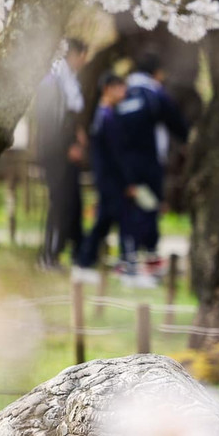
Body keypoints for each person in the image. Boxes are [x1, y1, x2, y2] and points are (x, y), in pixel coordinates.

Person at [118, 53, 188, 276]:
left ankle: (126, 257)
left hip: (123, 161)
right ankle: (149, 257)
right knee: (149, 205)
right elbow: (176, 121)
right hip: (149, 160)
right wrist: (189, 139)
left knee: (129, 206)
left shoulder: (121, 90)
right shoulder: (154, 92)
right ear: (156, 72)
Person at [32, 38, 89, 269]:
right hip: (57, 153)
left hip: (67, 150)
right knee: (59, 203)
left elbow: (69, 117)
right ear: (72, 54)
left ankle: (73, 252)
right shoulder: (53, 82)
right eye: (81, 56)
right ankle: (48, 255)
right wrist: (68, 146)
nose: (83, 62)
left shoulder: (69, 81)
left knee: (72, 202)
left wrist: (78, 134)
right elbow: (50, 123)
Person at [72, 73, 132, 281]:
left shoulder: (107, 114)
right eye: (120, 88)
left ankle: (87, 262)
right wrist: (126, 179)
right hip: (110, 179)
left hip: (109, 178)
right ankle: (121, 266)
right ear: (108, 88)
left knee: (106, 222)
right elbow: (114, 153)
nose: (124, 93)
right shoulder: (105, 117)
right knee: (116, 221)